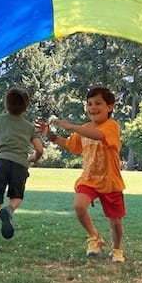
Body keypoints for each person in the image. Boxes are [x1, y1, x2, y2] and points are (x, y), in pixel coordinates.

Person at [36, 87, 127, 263]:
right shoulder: (85, 128)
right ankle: (95, 237)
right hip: (88, 179)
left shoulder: (111, 126)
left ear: (109, 107)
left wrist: (71, 126)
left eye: (98, 103)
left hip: (110, 182)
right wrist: (51, 136)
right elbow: (71, 146)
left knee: (115, 221)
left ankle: (117, 249)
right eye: (89, 104)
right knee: (79, 206)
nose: (92, 107)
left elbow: (98, 135)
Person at [0, 88, 44, 251]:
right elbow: (40, 149)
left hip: (0, 162)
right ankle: (8, 210)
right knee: (16, 196)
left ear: (6, 104)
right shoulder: (29, 127)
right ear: (26, 106)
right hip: (20, 165)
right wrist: (33, 159)